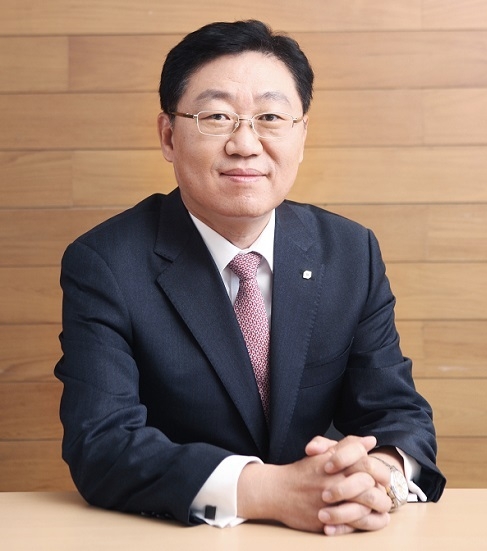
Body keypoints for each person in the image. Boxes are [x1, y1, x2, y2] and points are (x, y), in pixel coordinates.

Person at [55, 20, 445, 536]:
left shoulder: (351, 252)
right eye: (217, 116)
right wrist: (271, 491)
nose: (245, 144)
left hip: (331, 534)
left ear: (301, 136)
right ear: (168, 136)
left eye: (270, 117)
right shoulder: (105, 263)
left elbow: (398, 414)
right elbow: (101, 443)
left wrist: (377, 476)